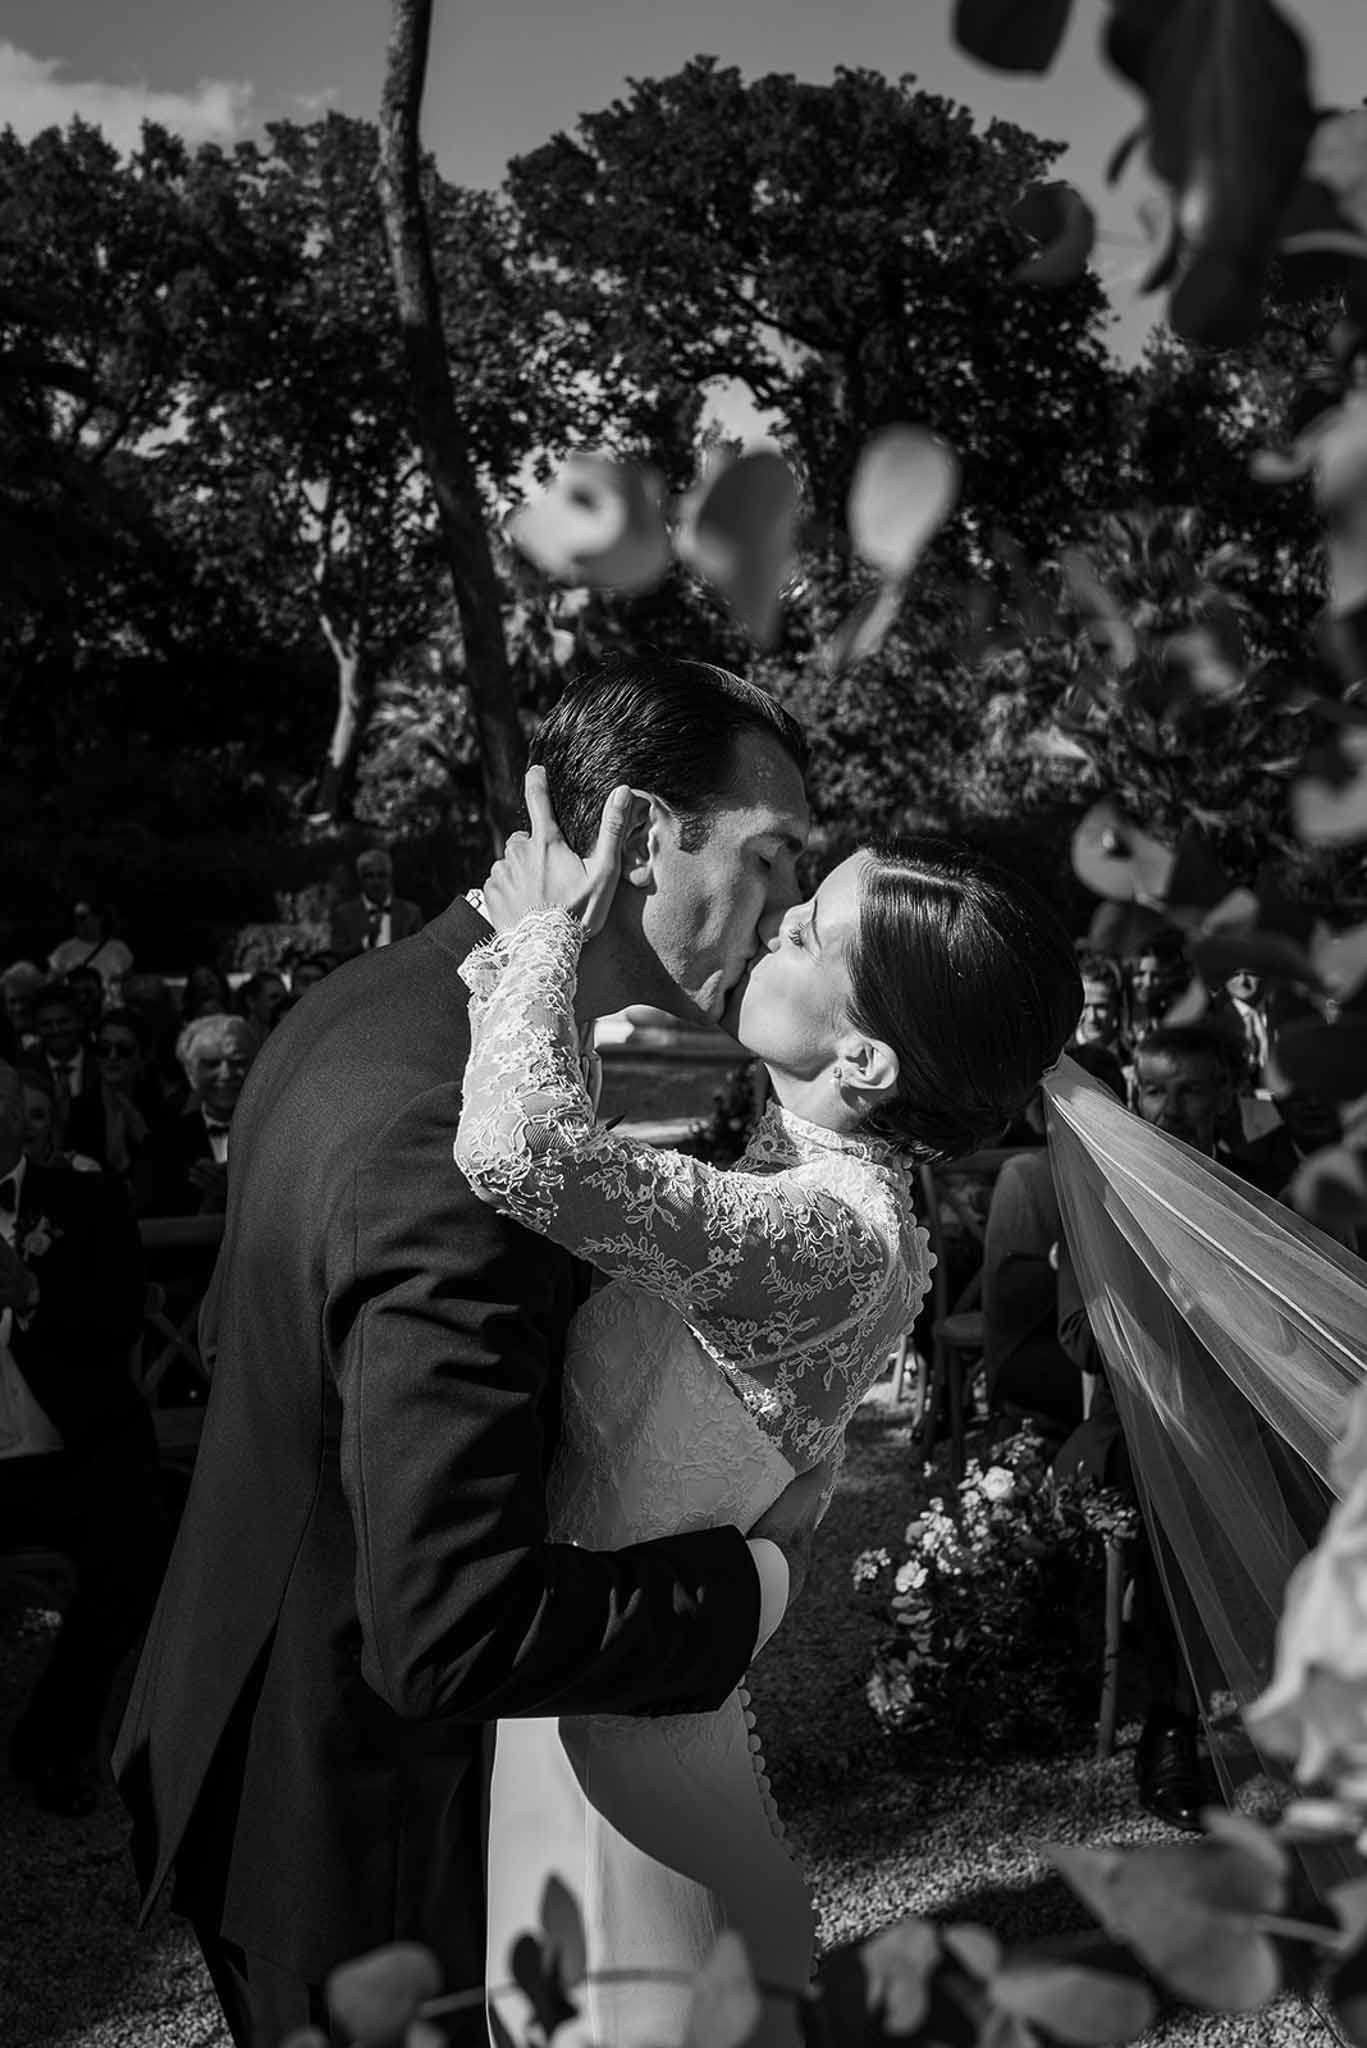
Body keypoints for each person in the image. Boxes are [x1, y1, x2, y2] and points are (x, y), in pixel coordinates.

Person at [113, 660, 834, 2048]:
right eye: (764, 858)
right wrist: (749, 1584)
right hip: (368, 1834)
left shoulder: (365, 1001)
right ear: (631, 836)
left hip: (251, 1728)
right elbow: (452, 1630)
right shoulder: (457, 1138)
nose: (783, 911)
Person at [456, 774, 1081, 2044]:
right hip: (596, 1723)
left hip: (639, 1806)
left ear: (862, 1056)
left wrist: (541, 931)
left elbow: (517, 1145)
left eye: (804, 932)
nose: (777, 915)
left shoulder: (830, 1235)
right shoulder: (815, 1194)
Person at [1052, 1022, 1331, 1830]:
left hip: (1258, 1415)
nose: (1170, 1108)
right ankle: (1173, 1726)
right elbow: (1077, 1336)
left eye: (1191, 1089)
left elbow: (1297, 1322)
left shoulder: (1253, 1189)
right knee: (1180, 1489)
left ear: (1227, 1098)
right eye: (1155, 1089)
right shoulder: (1099, 1193)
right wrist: (1180, 1302)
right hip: (1146, 1424)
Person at [0, 1063, 164, 1816]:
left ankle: (54, 1737)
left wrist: (31, 1293)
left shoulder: (85, 1197)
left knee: (134, 1559)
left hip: (72, 1456)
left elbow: (121, 1314)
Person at [131, 1014, 260, 1219]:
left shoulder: (287, 1138)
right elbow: (150, 1226)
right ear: (191, 1074)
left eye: (237, 1062)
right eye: (211, 1064)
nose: (226, 1074)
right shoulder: (161, 1144)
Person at [31, 982, 96, 1149]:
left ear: (80, 1021)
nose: (56, 1030)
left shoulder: (103, 1062)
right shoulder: (25, 1068)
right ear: (36, 1028)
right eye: (46, 1024)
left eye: (63, 1021)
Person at [329, 847, 425, 960]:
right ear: (361, 879)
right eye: (370, 876)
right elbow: (338, 956)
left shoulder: (411, 913)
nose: (376, 882)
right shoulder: (343, 914)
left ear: (389, 877)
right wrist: (366, 942)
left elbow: (422, 954)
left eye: (381, 875)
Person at [46, 900, 133, 995]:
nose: (77, 921)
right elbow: (52, 981)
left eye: (82, 917)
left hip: (111, 1007)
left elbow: (129, 980)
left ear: (99, 918)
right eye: (74, 917)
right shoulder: (63, 950)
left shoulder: (119, 949)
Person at [236, 969, 291, 1039]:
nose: (282, 1003)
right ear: (251, 1001)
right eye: (274, 997)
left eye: (285, 998)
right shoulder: (237, 1039)